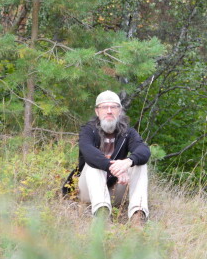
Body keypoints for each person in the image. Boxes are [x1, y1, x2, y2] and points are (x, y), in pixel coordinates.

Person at [63, 90, 150, 224]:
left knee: (140, 164)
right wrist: (113, 167)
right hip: (88, 190)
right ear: (97, 112)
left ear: (119, 111)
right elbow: (89, 152)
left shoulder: (128, 133)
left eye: (113, 107)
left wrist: (128, 162)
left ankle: (137, 216)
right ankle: (102, 215)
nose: (109, 111)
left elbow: (143, 150)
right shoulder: (88, 130)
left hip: (115, 189)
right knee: (93, 164)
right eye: (104, 107)